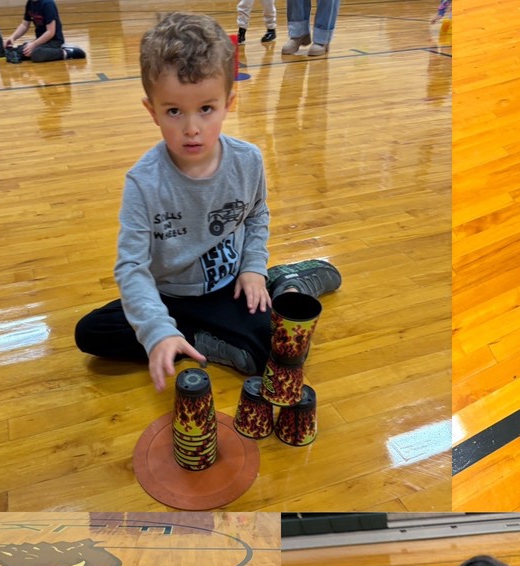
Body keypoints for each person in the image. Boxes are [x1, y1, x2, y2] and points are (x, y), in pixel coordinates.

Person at [73, 12, 341, 391]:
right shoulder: (143, 182)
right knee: (91, 333)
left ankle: (286, 282)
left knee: (277, 352)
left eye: (206, 109)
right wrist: (158, 330)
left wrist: (252, 269)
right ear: (152, 111)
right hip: (171, 297)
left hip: (229, 288)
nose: (192, 129)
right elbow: (132, 267)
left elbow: (257, 215)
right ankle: (189, 338)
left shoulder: (248, 160)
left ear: (229, 102)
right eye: (173, 111)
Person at [3, 0, 86, 62]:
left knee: (36, 54)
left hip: (54, 41)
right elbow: (24, 25)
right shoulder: (30, 3)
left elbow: (50, 32)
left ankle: (67, 52)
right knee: (17, 52)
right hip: (41, 41)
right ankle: (35, 48)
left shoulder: (48, 3)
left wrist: (34, 44)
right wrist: (12, 37)